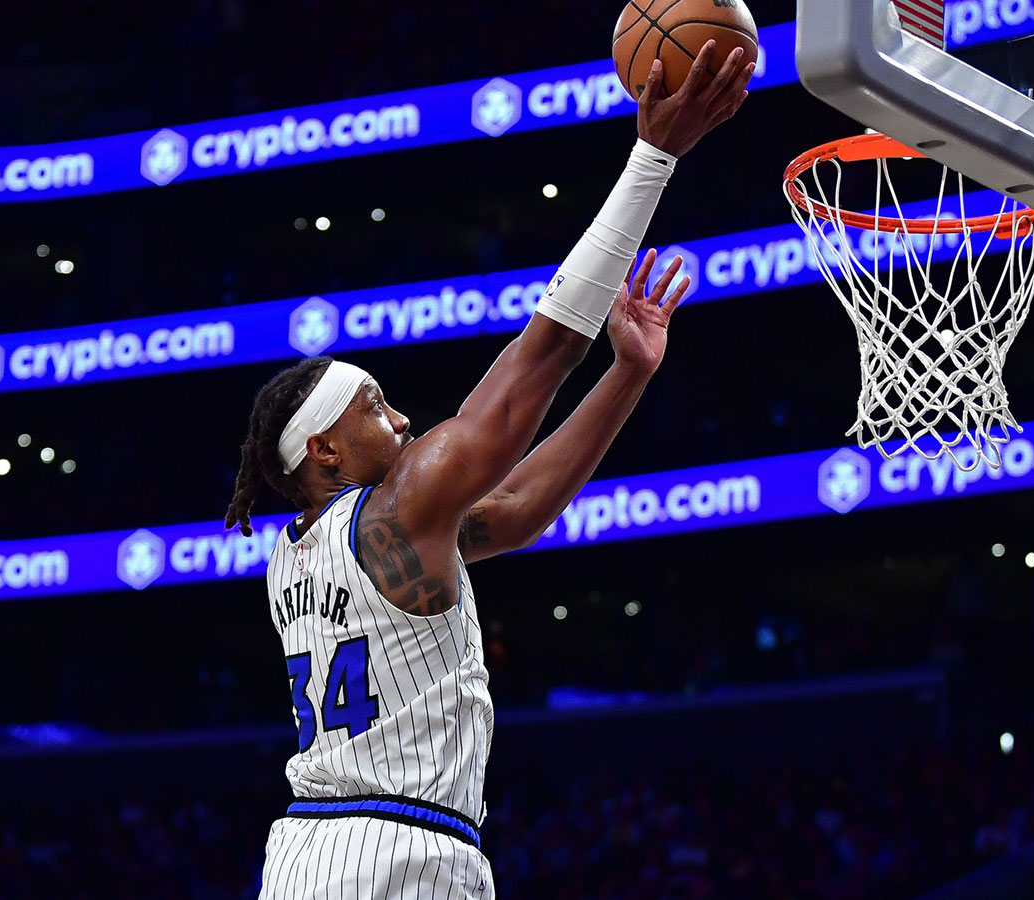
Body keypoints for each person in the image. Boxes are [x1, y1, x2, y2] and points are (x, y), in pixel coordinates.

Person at [224, 44, 754, 899]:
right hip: (391, 853)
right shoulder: (392, 512)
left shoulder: (303, 549)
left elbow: (514, 508)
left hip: (323, 855)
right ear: (323, 451)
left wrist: (627, 374)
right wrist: (654, 158)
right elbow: (538, 361)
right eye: (374, 406)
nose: (401, 420)